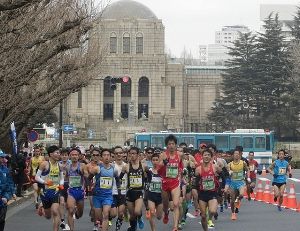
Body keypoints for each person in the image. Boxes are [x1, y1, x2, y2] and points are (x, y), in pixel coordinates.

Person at [88, 148, 118, 231]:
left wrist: (118, 189)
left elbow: (118, 179)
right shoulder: (97, 168)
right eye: (104, 155)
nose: (106, 157)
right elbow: (88, 178)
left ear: (110, 157)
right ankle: (102, 226)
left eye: (108, 155)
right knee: (99, 218)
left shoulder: (113, 169)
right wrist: (90, 187)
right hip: (97, 196)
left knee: (105, 215)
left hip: (108, 196)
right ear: (101, 157)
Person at [35, 145, 64, 231]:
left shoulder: (60, 165)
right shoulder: (44, 164)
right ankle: (42, 207)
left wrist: (61, 185)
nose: (59, 155)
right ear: (51, 154)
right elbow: (36, 177)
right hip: (45, 192)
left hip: (55, 191)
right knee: (48, 216)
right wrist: (45, 182)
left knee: (55, 211)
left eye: (59, 153)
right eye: (57, 153)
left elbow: (61, 178)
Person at [158, 135, 183, 231]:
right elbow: (159, 170)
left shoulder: (179, 155)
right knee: (165, 205)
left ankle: (175, 226)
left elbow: (181, 166)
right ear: (166, 146)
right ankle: (166, 213)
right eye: (169, 144)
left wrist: (181, 171)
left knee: (176, 204)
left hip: (175, 183)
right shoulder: (163, 155)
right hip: (165, 183)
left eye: (173, 144)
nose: (171, 145)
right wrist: (164, 163)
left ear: (175, 145)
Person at [119, 147, 147, 231]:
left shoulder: (143, 166)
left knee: (137, 211)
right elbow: (120, 178)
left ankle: (140, 217)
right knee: (132, 216)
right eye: (130, 153)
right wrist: (118, 185)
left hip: (139, 192)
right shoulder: (126, 167)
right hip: (130, 192)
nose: (132, 155)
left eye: (134, 153)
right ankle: (133, 227)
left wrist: (147, 184)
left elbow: (149, 175)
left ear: (138, 155)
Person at [195, 149, 222, 231]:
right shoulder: (198, 169)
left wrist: (223, 187)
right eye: (205, 155)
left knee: (213, 211)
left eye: (208, 155)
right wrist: (196, 194)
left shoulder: (215, 167)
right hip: (202, 194)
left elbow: (224, 176)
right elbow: (195, 183)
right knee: (203, 216)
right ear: (202, 156)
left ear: (211, 157)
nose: (206, 156)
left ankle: (210, 218)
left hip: (212, 193)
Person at [66, 148, 88, 231]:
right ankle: (72, 229)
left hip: (80, 191)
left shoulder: (82, 166)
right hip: (71, 191)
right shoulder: (68, 167)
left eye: (76, 155)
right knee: (70, 210)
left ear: (79, 156)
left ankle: (77, 214)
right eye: (72, 155)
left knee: (80, 214)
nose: (74, 156)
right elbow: (66, 179)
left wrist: (83, 173)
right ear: (70, 156)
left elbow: (86, 176)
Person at [227, 149, 250, 220]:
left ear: (239, 155)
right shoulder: (230, 164)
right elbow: (227, 171)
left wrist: (248, 177)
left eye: (238, 154)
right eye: (235, 154)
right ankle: (233, 213)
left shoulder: (243, 163)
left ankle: (238, 199)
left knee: (241, 194)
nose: (236, 155)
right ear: (233, 155)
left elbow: (247, 170)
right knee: (232, 200)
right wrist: (229, 172)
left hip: (241, 182)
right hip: (233, 183)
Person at [111, 146, 128, 231]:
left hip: (123, 192)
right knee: (113, 214)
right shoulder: (111, 166)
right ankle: (109, 218)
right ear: (114, 155)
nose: (119, 155)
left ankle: (117, 228)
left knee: (121, 213)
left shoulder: (127, 166)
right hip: (113, 192)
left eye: (120, 153)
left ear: (123, 154)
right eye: (116, 153)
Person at [0, 150, 16, 231]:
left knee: (2, 219)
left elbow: (9, 182)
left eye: (4, 157)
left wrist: (13, 192)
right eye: (1, 157)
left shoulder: (5, 169)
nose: (4, 159)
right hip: (1, 198)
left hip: (4, 198)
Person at [147, 153, 163, 231]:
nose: (155, 161)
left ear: (159, 161)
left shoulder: (163, 171)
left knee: (159, 217)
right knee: (152, 212)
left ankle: (164, 212)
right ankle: (153, 229)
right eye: (153, 160)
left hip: (160, 196)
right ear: (151, 161)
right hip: (151, 195)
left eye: (157, 160)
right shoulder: (149, 171)